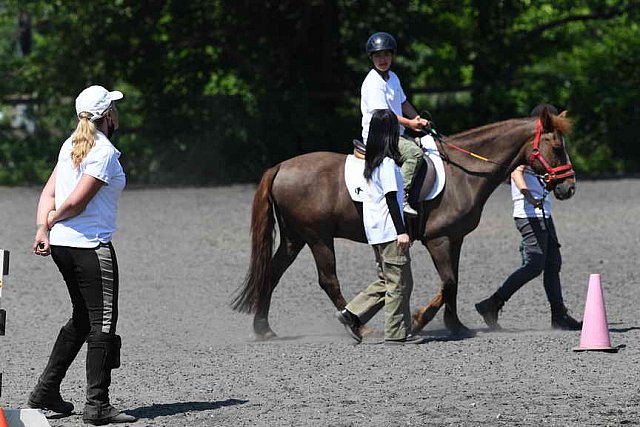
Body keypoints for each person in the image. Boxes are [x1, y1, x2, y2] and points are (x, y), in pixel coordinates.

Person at [29, 85, 137, 425]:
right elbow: (75, 202)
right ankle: (98, 405)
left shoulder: (69, 146)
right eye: (114, 110)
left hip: (62, 245)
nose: (117, 115)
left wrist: (43, 228)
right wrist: (51, 220)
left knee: (81, 318)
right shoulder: (103, 152)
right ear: (108, 117)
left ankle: (46, 390)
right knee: (103, 321)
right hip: (90, 246)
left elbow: (48, 192)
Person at [475, 104, 582, 331]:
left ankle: (558, 315)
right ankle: (492, 304)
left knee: (553, 263)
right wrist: (527, 194)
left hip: (544, 211)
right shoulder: (526, 147)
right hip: (528, 213)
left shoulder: (544, 147)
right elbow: (516, 172)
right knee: (535, 264)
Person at [336, 109, 423, 345]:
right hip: (388, 229)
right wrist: (402, 231)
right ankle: (396, 334)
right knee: (399, 283)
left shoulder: (372, 163)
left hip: (375, 230)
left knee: (387, 279)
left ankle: (352, 312)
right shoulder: (386, 164)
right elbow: (392, 199)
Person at [360, 31, 429, 217]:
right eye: (378, 55)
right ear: (371, 57)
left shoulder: (393, 78)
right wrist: (410, 124)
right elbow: (386, 114)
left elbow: (403, 103)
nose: (383, 59)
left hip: (395, 133)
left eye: (386, 54)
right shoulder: (373, 82)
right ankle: (402, 197)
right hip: (380, 137)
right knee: (414, 153)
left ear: (392, 56)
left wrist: (418, 119)